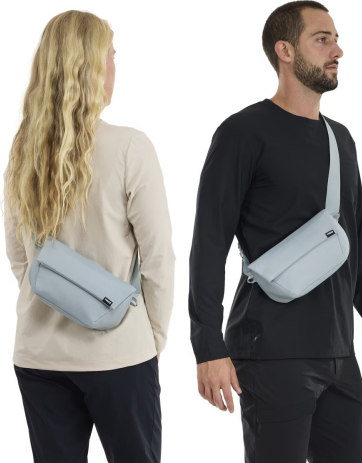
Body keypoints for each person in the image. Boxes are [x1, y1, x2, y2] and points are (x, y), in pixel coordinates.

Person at [188, 2, 362, 462]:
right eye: (322, 39)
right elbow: (209, 243)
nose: (337, 51)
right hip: (270, 352)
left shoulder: (341, 139)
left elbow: (356, 243)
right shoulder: (242, 133)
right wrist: (207, 347)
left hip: (340, 354)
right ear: (284, 51)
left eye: (336, 39)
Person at [2, 10, 175, 463]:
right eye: (111, 55)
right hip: (118, 352)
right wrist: (152, 338)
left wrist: (52, 297)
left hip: (38, 354)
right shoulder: (131, 147)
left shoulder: (23, 150)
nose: (115, 66)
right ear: (92, 66)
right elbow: (158, 258)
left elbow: (20, 257)